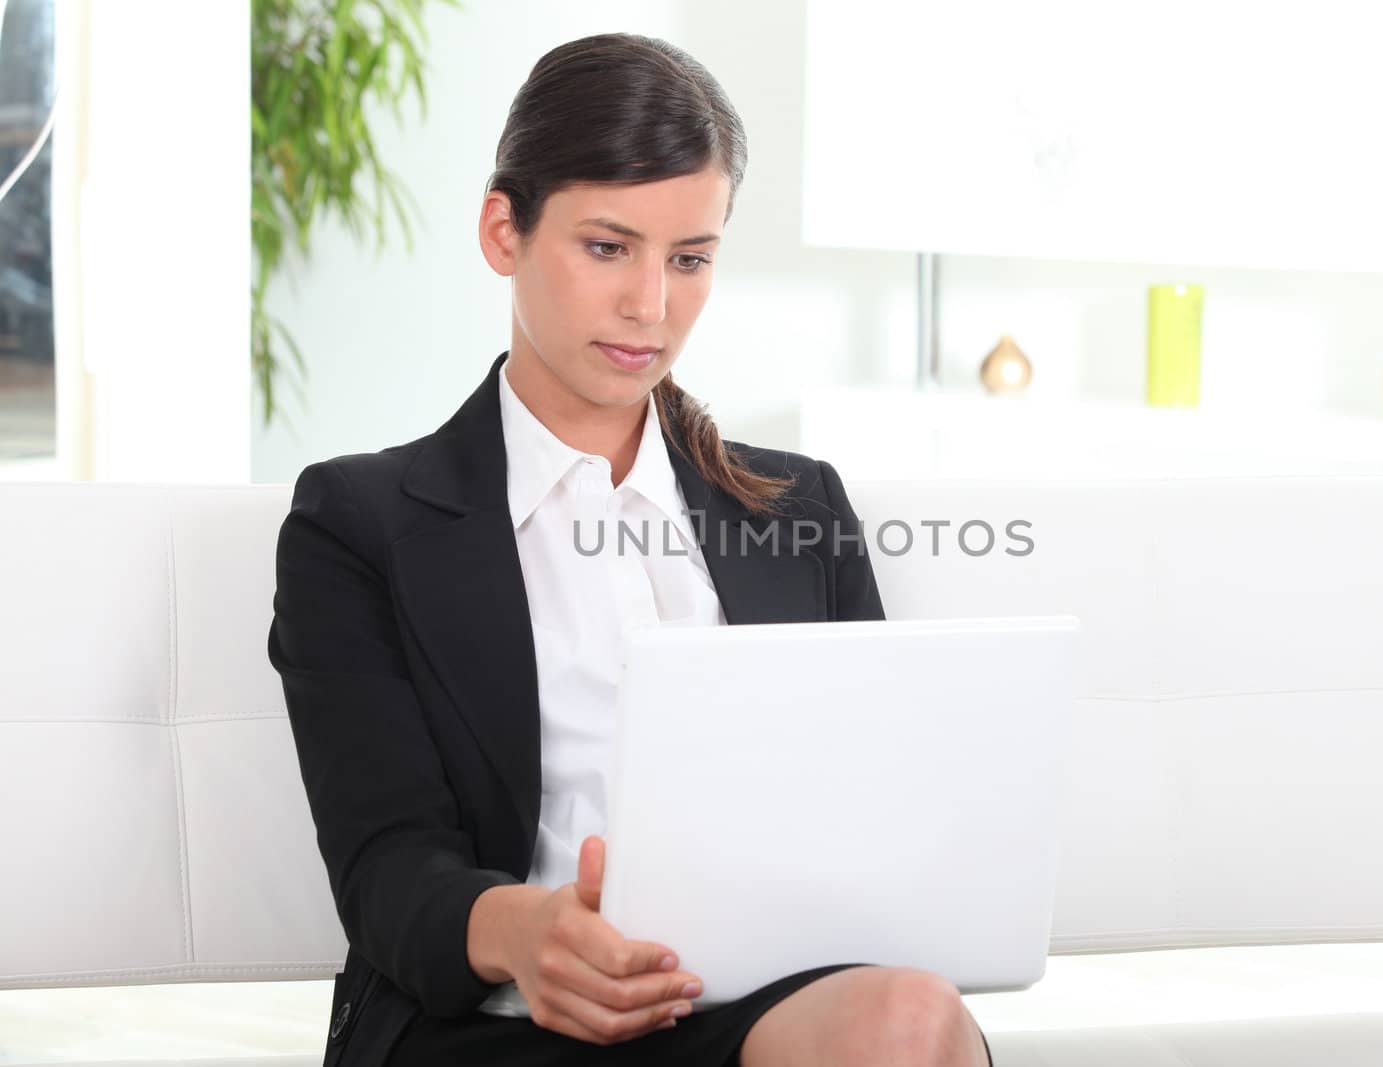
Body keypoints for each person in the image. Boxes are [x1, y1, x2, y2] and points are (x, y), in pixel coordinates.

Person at [268, 32, 994, 1067]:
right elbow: (386, 864)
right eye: (608, 246)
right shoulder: (360, 522)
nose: (651, 305)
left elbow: (862, 818)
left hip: (753, 1006)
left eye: (689, 257)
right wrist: (524, 930)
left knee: (914, 1017)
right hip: (492, 1019)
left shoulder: (798, 509)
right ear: (501, 230)